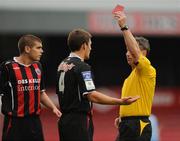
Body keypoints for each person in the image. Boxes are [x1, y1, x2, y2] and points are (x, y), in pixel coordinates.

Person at [56, 28, 140, 141]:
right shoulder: (82, 67)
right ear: (84, 45)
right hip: (78, 121)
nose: (91, 48)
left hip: (64, 120)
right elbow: (91, 95)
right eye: (90, 44)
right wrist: (120, 101)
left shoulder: (62, 65)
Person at [0, 34, 61, 141]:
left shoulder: (38, 66)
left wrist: (53, 108)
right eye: (38, 48)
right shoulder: (7, 67)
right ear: (27, 49)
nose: (42, 51)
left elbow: (41, 92)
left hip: (34, 122)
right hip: (14, 122)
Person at [113, 11, 156, 141]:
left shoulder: (148, 70)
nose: (127, 53)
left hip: (138, 125)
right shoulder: (129, 78)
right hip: (127, 125)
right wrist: (123, 117)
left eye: (130, 50)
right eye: (126, 50)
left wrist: (124, 27)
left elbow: (136, 53)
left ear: (143, 52)